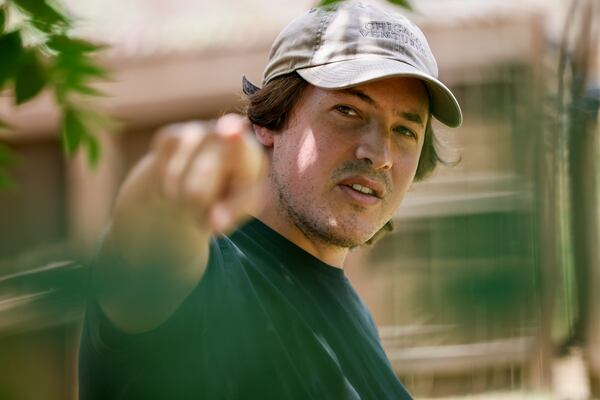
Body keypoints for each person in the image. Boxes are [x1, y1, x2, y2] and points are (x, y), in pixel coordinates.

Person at [78, 1, 462, 399]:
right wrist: (172, 188)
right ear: (268, 121)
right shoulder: (204, 282)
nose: (379, 154)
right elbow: (144, 245)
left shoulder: (354, 318)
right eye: (347, 109)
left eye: (404, 130)